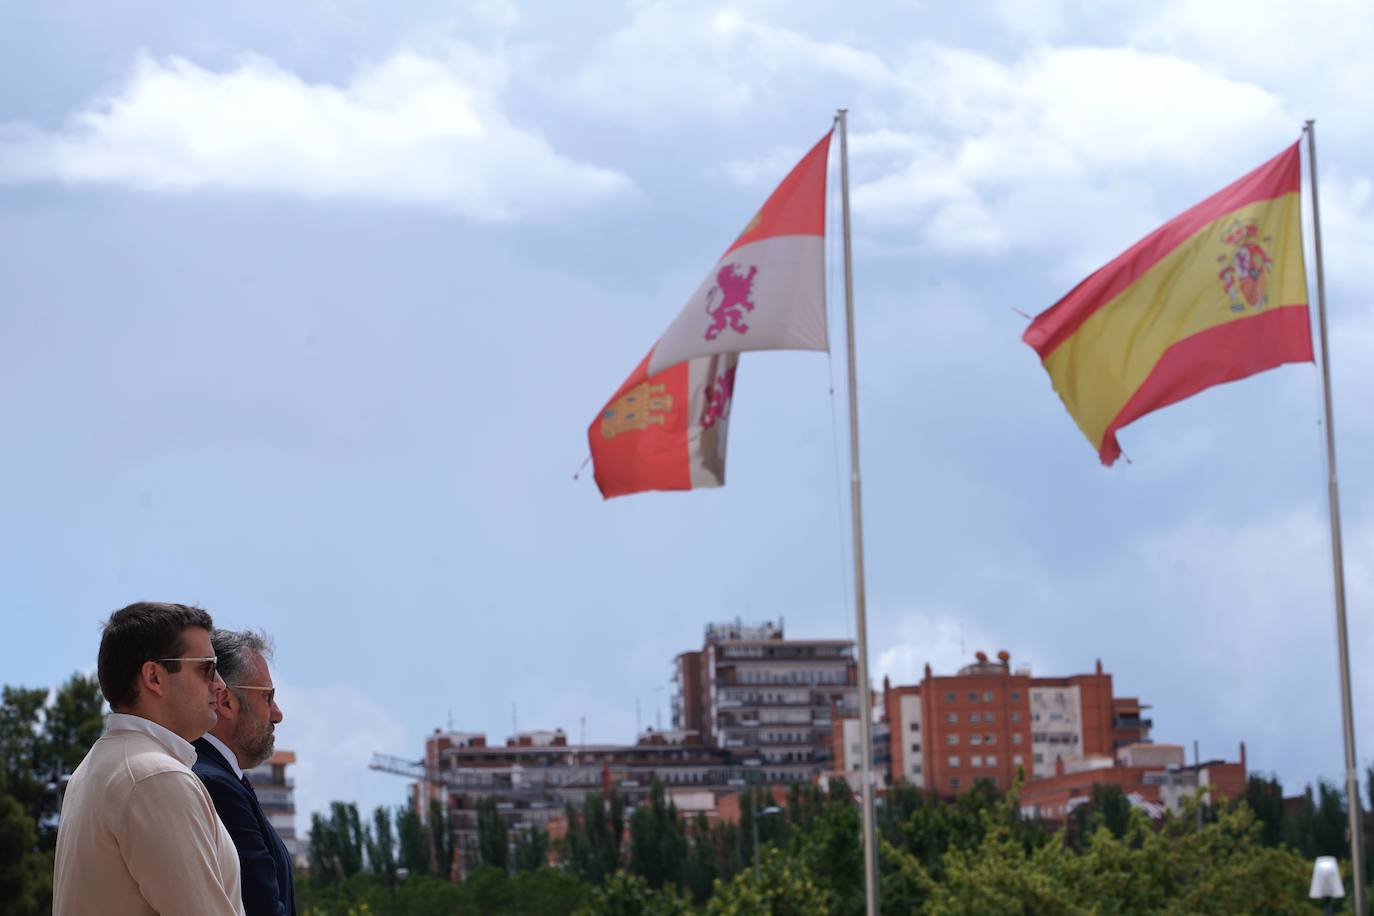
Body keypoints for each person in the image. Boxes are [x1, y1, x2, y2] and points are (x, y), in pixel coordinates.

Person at [53, 601, 245, 915]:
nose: (220, 684)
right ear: (154, 677)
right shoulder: (155, 777)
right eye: (207, 668)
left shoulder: (94, 770)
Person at [193, 629, 296, 916]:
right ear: (226, 702)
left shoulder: (219, 776)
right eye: (268, 697)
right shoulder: (216, 784)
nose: (277, 714)